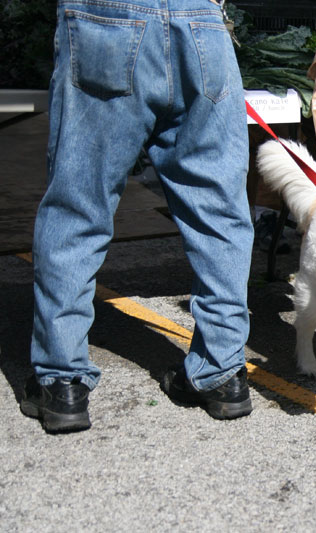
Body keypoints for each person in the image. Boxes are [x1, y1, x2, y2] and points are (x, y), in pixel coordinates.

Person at [20, 0, 255, 433]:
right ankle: (222, 374)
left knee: (79, 208)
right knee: (217, 212)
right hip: (201, 22)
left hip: (105, 20)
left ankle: (62, 382)